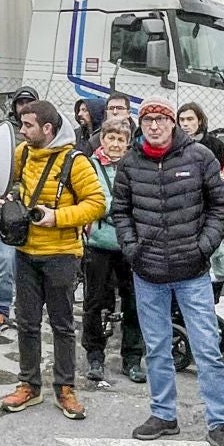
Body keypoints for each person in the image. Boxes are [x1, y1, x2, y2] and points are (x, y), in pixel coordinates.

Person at [111, 96, 224, 446]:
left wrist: (203, 246)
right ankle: (164, 414)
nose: (154, 125)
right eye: (148, 119)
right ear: (141, 124)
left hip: (192, 273)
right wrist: (132, 248)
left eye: (161, 119)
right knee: (156, 348)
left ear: (173, 123)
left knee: (206, 348)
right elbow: (119, 210)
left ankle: (220, 425)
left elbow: (221, 205)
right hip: (147, 272)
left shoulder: (199, 157)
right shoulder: (130, 163)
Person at [0, 100, 106, 420]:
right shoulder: (24, 154)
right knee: (27, 322)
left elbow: (96, 203)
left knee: (62, 325)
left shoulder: (76, 161)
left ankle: (64, 387)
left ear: (47, 129)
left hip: (61, 255)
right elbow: (0, 183)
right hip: (26, 252)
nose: (22, 131)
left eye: (27, 125)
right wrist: (2, 197)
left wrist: (57, 217)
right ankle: (29, 384)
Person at [81, 117, 144, 384]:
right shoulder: (89, 166)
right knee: (94, 302)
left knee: (134, 303)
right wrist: (117, 208)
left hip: (129, 245)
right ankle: (95, 355)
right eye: (111, 138)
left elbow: (139, 200)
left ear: (128, 143)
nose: (115, 144)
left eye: (121, 139)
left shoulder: (135, 167)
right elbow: (92, 200)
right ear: (102, 139)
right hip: (98, 246)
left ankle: (132, 359)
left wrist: (111, 208)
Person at [0, 84, 38, 333]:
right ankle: (1, 309)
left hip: (36, 208)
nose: (23, 108)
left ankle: (27, 313)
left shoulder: (47, 136)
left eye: (29, 103)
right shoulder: (3, 132)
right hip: (9, 206)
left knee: (30, 265)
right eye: (20, 103)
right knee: (4, 260)